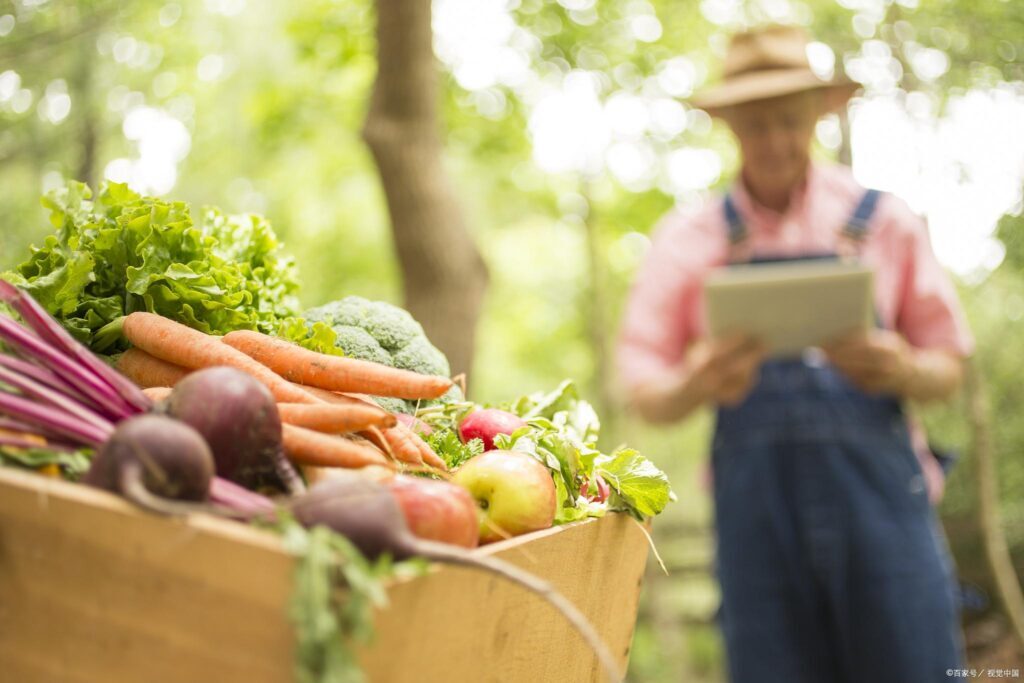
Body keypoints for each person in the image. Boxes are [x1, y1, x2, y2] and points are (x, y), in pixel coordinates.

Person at [617, 24, 973, 683]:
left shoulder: (884, 220)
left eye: (788, 119)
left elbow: (948, 364)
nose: (774, 141)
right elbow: (644, 387)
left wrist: (902, 366)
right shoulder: (686, 239)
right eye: (755, 125)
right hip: (757, 525)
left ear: (817, 113)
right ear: (728, 125)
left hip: (885, 515)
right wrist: (698, 381)